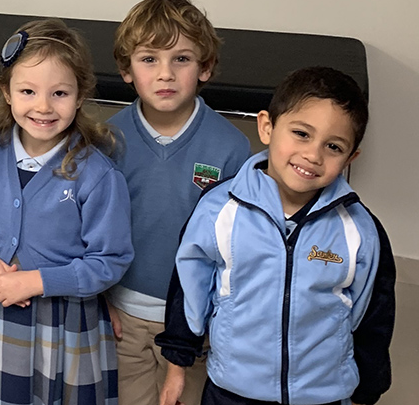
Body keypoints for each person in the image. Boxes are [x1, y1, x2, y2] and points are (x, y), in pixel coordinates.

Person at [156, 67, 396, 405]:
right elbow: (189, 289)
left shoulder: (360, 229)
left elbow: (373, 315)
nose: (313, 155)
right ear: (267, 127)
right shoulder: (218, 210)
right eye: (301, 133)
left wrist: (369, 388)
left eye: (333, 146)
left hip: (322, 394)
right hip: (232, 390)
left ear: (350, 158)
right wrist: (177, 363)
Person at [0, 18, 134, 404]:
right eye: (28, 91)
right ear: (7, 92)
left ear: (80, 95)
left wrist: (35, 282)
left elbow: (109, 261)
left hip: (64, 325)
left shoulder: (97, 174)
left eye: (59, 93)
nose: (43, 106)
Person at [106, 0, 250, 405]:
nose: (165, 74)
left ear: (205, 67)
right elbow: (87, 229)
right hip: (122, 317)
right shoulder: (106, 141)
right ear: (126, 69)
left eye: (181, 59)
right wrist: (99, 301)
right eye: (149, 59)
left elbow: (236, 246)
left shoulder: (231, 148)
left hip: (194, 322)